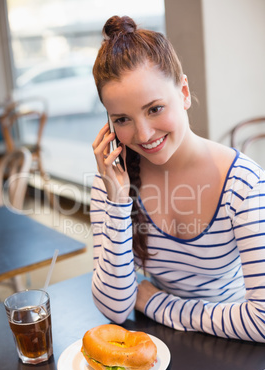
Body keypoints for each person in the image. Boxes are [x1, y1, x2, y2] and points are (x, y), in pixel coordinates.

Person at [90, 15, 265, 342]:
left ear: (183, 92)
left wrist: (159, 303)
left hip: (240, 352)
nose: (143, 134)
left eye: (155, 109)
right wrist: (116, 202)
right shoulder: (114, 180)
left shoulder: (244, 184)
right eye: (123, 119)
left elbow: (263, 320)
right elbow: (114, 308)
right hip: (168, 351)